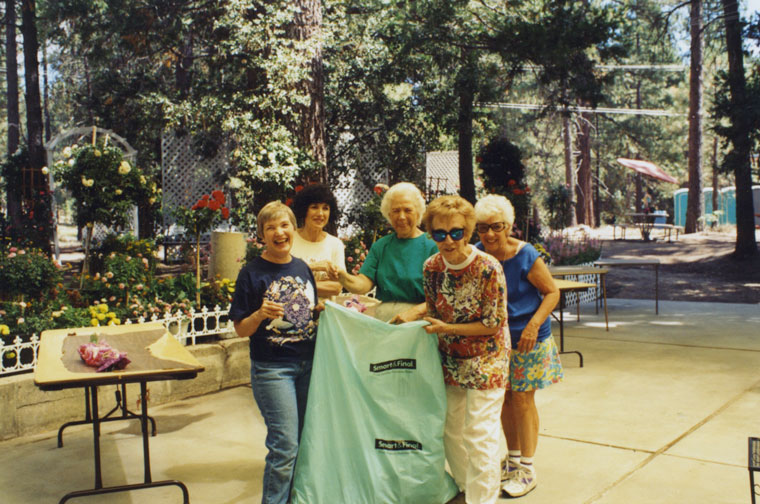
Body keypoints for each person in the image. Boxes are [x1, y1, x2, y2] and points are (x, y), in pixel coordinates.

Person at [421, 195, 509, 504]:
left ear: (468, 232)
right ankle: (466, 486)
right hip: (450, 359)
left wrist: (447, 329)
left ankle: (482, 500)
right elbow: (433, 308)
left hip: (488, 357)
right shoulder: (431, 267)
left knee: (479, 433)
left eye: (456, 232)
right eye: (439, 234)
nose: (448, 240)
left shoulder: (488, 268)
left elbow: (492, 324)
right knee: (450, 429)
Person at [229, 201, 319, 504]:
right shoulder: (251, 273)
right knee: (284, 447)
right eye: (271, 228)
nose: (279, 232)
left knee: (304, 443)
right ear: (262, 236)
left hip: (308, 366)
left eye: (284, 225)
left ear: (294, 229)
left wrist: (319, 310)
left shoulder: (302, 268)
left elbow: (303, 317)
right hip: (273, 370)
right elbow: (241, 329)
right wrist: (259, 314)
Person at [473, 194, 562, 498]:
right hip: (496, 340)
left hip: (527, 337)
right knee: (505, 400)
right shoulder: (477, 254)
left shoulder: (526, 255)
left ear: (508, 226)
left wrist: (533, 326)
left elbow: (551, 293)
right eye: (483, 228)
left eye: (496, 227)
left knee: (522, 399)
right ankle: (511, 461)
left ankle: (527, 467)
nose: (489, 234)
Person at [327, 182, 438, 323]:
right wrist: (343, 277)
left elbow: (442, 297)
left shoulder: (433, 246)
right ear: (389, 214)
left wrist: (415, 313)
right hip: (385, 321)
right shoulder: (381, 246)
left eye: (408, 210)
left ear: (418, 212)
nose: (401, 217)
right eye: (396, 211)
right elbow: (363, 284)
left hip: (420, 321)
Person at [291, 183, 345, 299]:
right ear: (304, 209)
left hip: (326, 314)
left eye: (325, 208)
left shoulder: (335, 244)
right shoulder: (290, 240)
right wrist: (314, 266)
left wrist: (299, 282)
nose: (320, 214)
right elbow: (281, 281)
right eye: (314, 207)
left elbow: (337, 287)